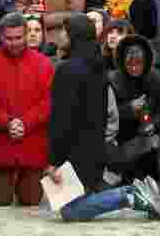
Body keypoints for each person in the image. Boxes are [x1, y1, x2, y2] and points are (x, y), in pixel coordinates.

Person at [0, 13, 55, 207]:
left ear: (26, 34)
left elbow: (48, 101)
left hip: (33, 146)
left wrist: (25, 123)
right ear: (1, 36)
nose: (13, 43)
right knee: (0, 201)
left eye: (18, 38)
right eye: (8, 38)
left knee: (31, 201)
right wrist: (7, 122)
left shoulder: (44, 64)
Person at [45, 14, 109, 194]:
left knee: (73, 211)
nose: (60, 35)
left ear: (75, 35)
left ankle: (127, 196)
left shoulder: (68, 70)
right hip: (94, 155)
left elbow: (62, 119)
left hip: (72, 159)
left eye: (64, 31)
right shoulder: (97, 66)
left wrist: (54, 161)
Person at [106, 35, 160, 185]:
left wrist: (154, 124)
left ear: (146, 62)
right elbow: (106, 115)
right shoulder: (113, 80)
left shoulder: (157, 79)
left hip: (149, 137)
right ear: (122, 62)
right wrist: (129, 108)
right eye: (130, 64)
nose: (134, 68)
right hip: (121, 139)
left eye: (139, 63)